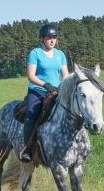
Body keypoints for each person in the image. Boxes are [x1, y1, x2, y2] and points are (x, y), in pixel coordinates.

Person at [19, 23, 69, 162]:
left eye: (54, 37)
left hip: (56, 92)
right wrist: (45, 85)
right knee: (31, 113)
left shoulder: (60, 55)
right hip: (38, 90)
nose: (52, 40)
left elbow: (66, 75)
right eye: (49, 38)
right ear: (42, 39)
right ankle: (27, 148)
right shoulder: (35, 53)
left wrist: (63, 87)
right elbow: (31, 76)